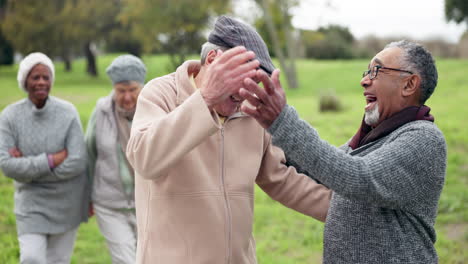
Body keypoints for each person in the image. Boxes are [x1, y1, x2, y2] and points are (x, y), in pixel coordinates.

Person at [126, 16, 331, 264]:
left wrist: (351, 214)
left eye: (254, 81)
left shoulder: (249, 109)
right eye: (241, 78)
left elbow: (282, 179)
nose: (246, 92)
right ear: (213, 60)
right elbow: (145, 158)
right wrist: (205, 100)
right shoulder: (161, 93)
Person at [239, 40, 446, 263]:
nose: (364, 80)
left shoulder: (424, 138)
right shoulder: (374, 136)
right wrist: (262, 132)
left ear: (409, 84)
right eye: (367, 71)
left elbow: (356, 176)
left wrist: (282, 120)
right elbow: (321, 169)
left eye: (376, 70)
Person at [0, 52, 89, 263]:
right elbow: (6, 166)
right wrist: (50, 161)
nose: (41, 82)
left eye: (46, 77)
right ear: (25, 81)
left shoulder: (68, 112)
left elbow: (78, 162)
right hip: (31, 204)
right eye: (35, 77)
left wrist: (28, 170)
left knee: (58, 261)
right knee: (31, 258)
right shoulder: (9, 116)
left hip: (67, 203)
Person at [85, 54, 146, 264]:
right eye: (121, 90)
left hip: (148, 203)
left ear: (142, 87)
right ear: (114, 89)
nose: (127, 97)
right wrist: (86, 197)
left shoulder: (154, 111)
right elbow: (89, 153)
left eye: (132, 90)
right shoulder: (101, 112)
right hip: (109, 204)